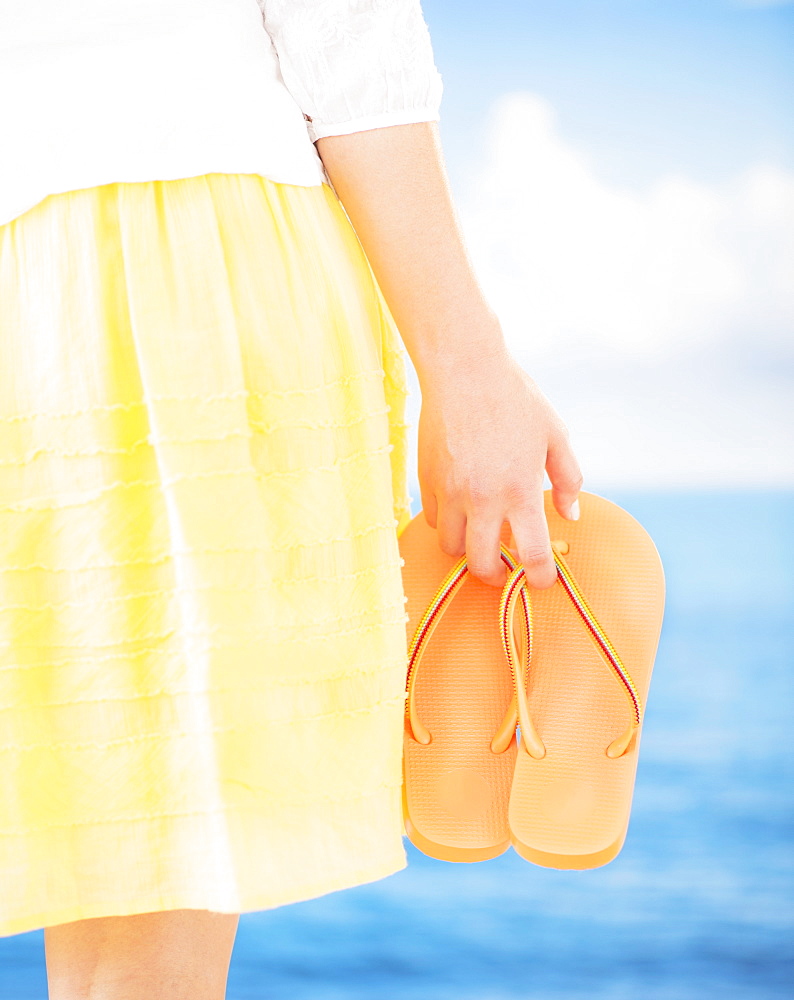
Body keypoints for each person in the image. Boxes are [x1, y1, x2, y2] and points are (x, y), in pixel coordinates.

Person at [0, 0, 582, 996]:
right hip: (182, 272)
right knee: (138, 925)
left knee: (112, 906)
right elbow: (349, 43)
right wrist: (466, 365)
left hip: (66, 275)